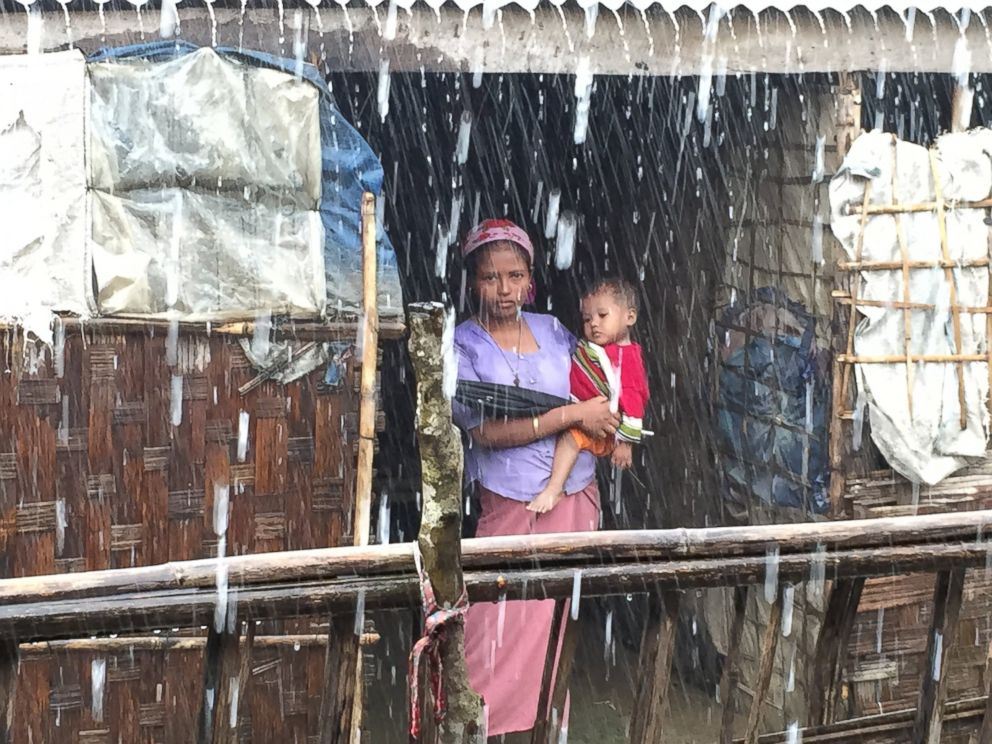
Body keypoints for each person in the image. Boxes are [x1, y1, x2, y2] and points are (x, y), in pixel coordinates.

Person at [451, 218, 619, 737]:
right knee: (492, 624)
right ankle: (477, 725)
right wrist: (570, 416)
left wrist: (616, 413)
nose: (505, 290)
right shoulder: (462, 346)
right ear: (472, 282)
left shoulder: (553, 332)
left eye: (515, 276)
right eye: (491, 277)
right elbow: (486, 433)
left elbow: (600, 385)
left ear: (530, 280)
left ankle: (544, 727)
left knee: (553, 622)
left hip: (574, 495)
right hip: (511, 503)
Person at [528, 278, 649, 514]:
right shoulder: (599, 349)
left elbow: (635, 400)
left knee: (570, 440)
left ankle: (553, 489)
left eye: (602, 315)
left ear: (630, 317)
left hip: (603, 425)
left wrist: (626, 442)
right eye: (587, 319)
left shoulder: (628, 357)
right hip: (577, 412)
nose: (594, 324)